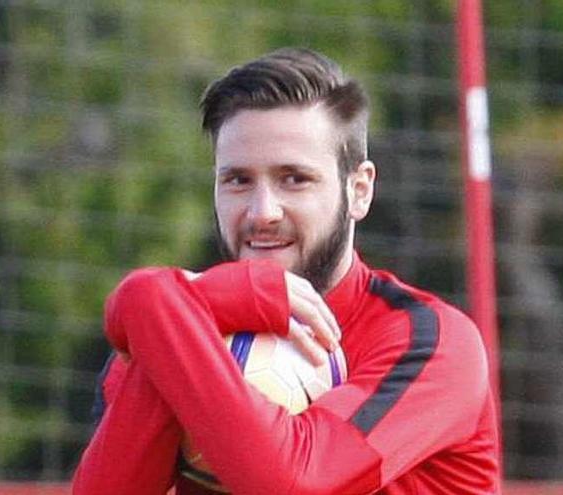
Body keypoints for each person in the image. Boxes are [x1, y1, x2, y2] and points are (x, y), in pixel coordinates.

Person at [72, 47, 499, 494]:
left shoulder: (432, 344)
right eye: (238, 180)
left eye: (294, 179)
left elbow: (291, 485)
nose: (262, 212)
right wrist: (176, 308)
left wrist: (146, 296)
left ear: (359, 191)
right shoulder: (169, 326)